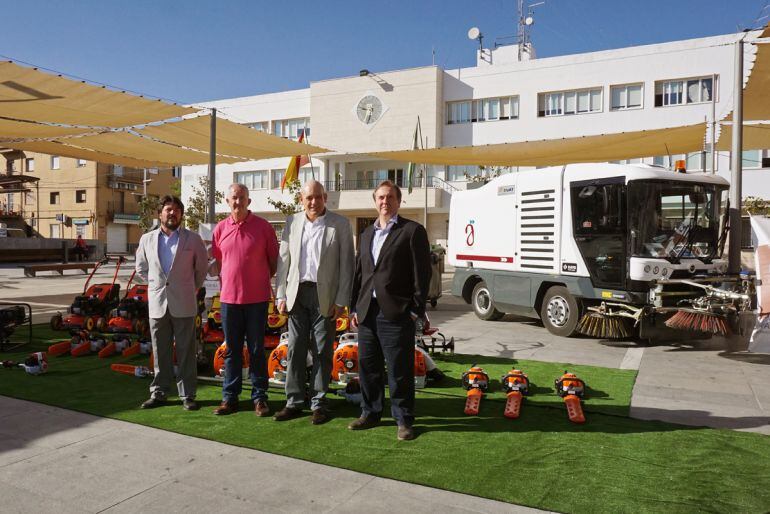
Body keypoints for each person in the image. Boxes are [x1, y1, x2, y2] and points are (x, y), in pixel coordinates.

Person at [349, 180, 432, 441]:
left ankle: (404, 420)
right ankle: (371, 412)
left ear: (398, 201)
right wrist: (354, 308)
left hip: (396, 313)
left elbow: (423, 274)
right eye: (381, 198)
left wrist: (415, 310)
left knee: (399, 369)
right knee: (368, 367)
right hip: (367, 312)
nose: (385, 202)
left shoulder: (412, 231)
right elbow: (360, 274)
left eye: (390, 197)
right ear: (375, 201)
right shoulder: (365, 234)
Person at [273, 180, 354, 425]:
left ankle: (318, 402)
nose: (313, 202)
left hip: (325, 297)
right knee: (296, 348)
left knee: (322, 350)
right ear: (301, 199)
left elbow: (347, 265)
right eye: (308, 198)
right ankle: (294, 401)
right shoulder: (292, 222)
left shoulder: (340, 224)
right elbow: (283, 261)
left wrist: (341, 300)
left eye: (318, 197)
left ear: (325, 197)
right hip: (297, 294)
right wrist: (281, 294)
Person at [211, 183, 279, 416]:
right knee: (232, 350)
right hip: (229, 301)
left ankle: (259, 397)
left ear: (248, 201)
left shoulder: (264, 227)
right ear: (227, 201)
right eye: (233, 198)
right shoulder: (220, 229)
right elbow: (220, 262)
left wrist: (255, 280)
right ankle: (230, 398)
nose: (237, 202)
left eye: (242, 198)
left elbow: (273, 263)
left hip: (257, 300)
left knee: (258, 349)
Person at [135, 195, 208, 411]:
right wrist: (156, 284)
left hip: (184, 302)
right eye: (168, 209)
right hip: (158, 304)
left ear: (181, 215)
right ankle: (159, 392)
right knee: (160, 350)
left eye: (176, 210)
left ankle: (188, 395)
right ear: (160, 213)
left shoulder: (193, 239)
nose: (172, 213)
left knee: (186, 350)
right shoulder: (147, 239)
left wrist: (187, 286)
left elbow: (201, 269)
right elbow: (141, 268)